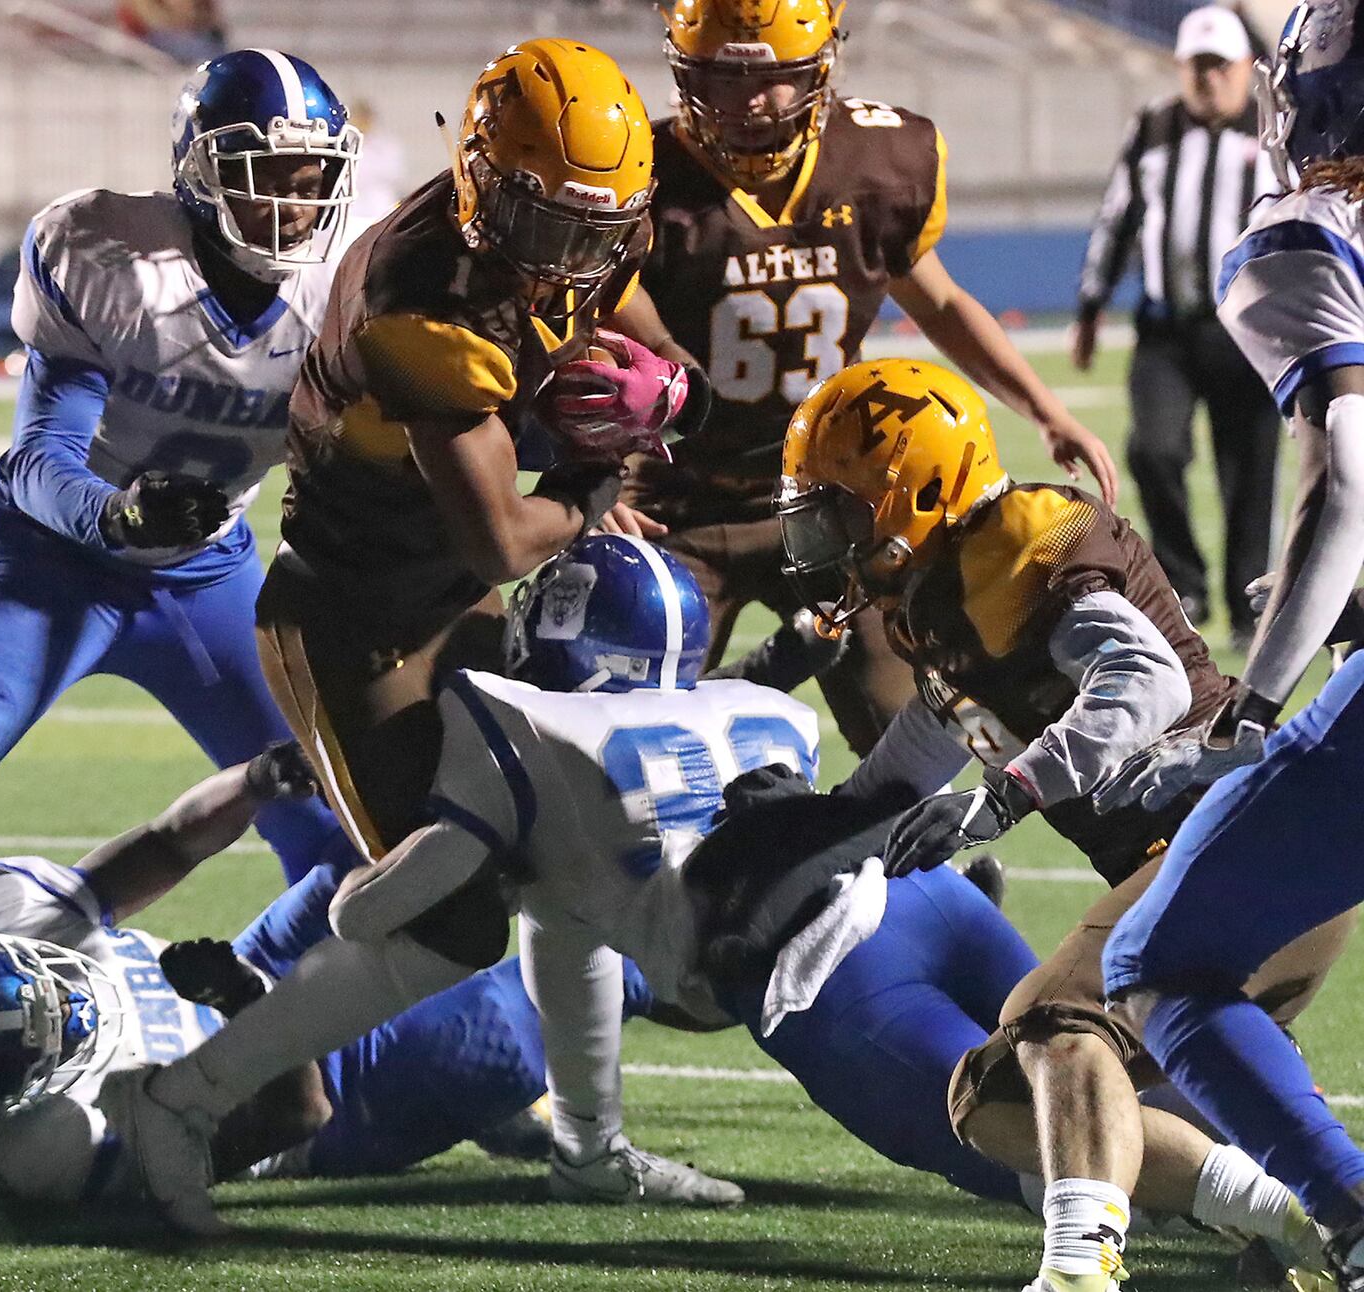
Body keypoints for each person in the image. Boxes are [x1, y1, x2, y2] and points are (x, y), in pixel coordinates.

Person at [103, 533, 1330, 1258]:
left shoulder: (515, 730)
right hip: (918, 893)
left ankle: (1308, 1212)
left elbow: (401, 913)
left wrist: (357, 897)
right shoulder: (743, 705)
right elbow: (570, 932)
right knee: (1083, 1065)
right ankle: (1303, 1169)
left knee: (1023, 1143)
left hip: (821, 982)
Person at [0, 49, 363, 1115]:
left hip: (205, 571)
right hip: (52, 557)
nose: (292, 200)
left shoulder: (342, 295)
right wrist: (116, 514)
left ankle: (287, 1035)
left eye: (310, 177)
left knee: (335, 824)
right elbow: (42, 456)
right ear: (196, 171)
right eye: (265, 172)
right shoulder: (110, 253)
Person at [773, 357, 1345, 1292]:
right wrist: (813, 828)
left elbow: (1146, 679)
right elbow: (927, 742)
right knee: (992, 1098)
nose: (820, 539)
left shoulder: (1025, 542)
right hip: (1207, 868)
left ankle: (1079, 1271)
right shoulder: (938, 595)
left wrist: (1006, 796)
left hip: (1246, 839)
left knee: (1053, 1017)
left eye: (840, 510)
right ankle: (1287, 1208)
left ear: (917, 488)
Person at [255, 40, 702, 968]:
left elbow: (642, 322)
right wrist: (591, 484)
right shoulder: (422, 303)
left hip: (457, 582)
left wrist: (666, 391)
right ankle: (259, 986)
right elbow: (500, 537)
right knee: (448, 912)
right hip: (357, 608)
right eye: (544, 227)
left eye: (594, 230)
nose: (568, 258)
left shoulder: (594, 223)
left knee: (551, 843)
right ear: (480, 184)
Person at [589, 0, 1116, 756]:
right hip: (675, 500)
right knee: (622, 741)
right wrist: (593, 477)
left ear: (822, 67)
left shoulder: (875, 161)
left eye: (772, 79)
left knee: (904, 731)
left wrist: (1044, 409)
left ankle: (910, 873)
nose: (746, 103)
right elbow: (579, 340)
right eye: (720, 78)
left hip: (831, 499)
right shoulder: (640, 173)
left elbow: (936, 299)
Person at [0, 743, 637, 1200]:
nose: (77, 1000)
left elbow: (167, 844)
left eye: (51, 987)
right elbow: (295, 1116)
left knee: (396, 825)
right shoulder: (49, 1154)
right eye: (58, 1028)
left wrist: (258, 779)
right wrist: (241, 1000)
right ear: (19, 1085)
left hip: (261, 960)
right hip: (339, 1088)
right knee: (596, 967)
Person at [1097, 6, 1364, 1288]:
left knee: (1159, 959)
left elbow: (1349, 481)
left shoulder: (1301, 232)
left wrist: (1249, 707)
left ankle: (1354, 1214)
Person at [1074, 4, 1281, 648]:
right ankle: (1183, 583)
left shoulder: (1274, 131)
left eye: (1221, 67)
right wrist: (1090, 305)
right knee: (1154, 450)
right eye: (1199, 67)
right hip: (1166, 329)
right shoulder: (1154, 127)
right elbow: (1118, 217)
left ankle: (1249, 604)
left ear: (1247, 69)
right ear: (1181, 67)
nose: (1209, 79)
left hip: (1248, 332)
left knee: (1249, 469)